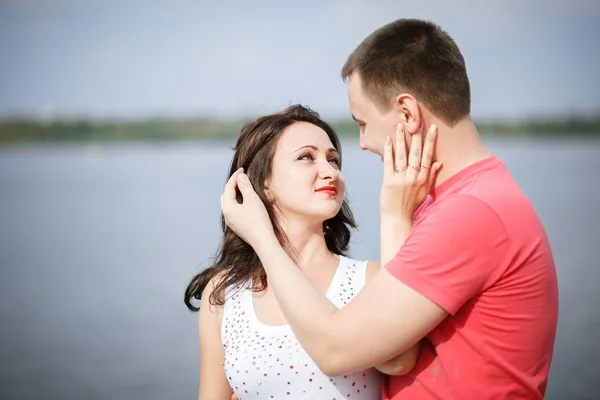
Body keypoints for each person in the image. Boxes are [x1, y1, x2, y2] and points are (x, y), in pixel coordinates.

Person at [220, 19, 559, 399]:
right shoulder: (452, 203)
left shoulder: (471, 213)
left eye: (363, 123)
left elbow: (337, 349)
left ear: (407, 114)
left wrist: (261, 236)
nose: (362, 143)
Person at [185, 105, 429, 400]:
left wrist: (262, 237)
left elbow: (399, 360)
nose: (330, 172)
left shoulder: (369, 280)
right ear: (263, 183)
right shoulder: (225, 293)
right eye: (306, 157)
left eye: (333, 160)